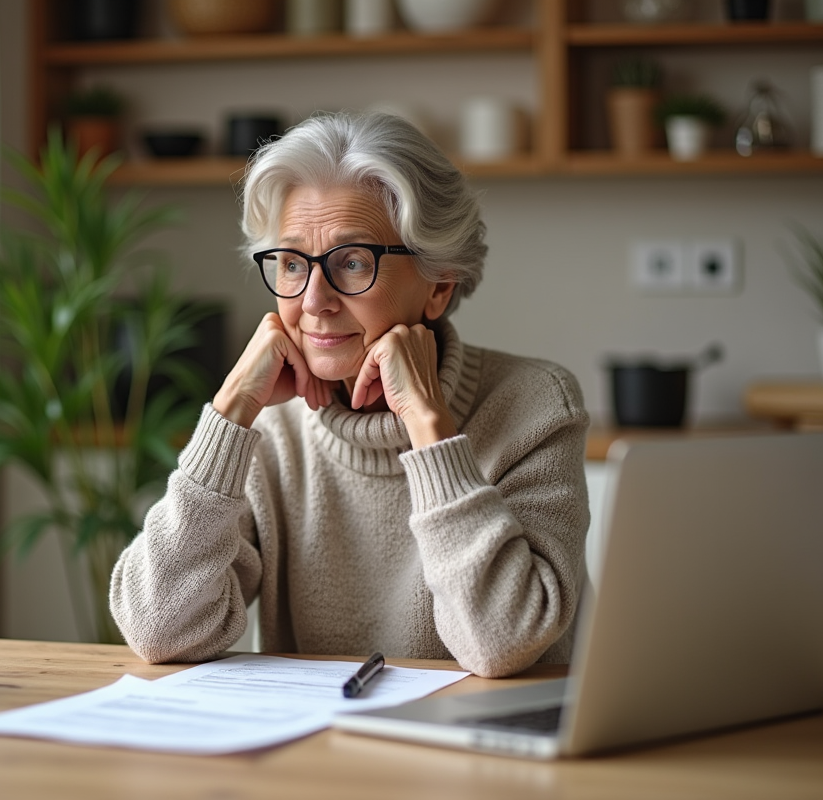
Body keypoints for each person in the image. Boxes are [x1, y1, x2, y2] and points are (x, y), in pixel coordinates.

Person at [110, 110, 590, 678]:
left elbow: (500, 644)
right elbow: (158, 628)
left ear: (438, 284)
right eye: (291, 264)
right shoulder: (271, 429)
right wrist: (230, 409)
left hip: (484, 755)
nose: (314, 300)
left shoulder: (536, 406)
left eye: (353, 262)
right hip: (317, 754)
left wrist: (429, 427)